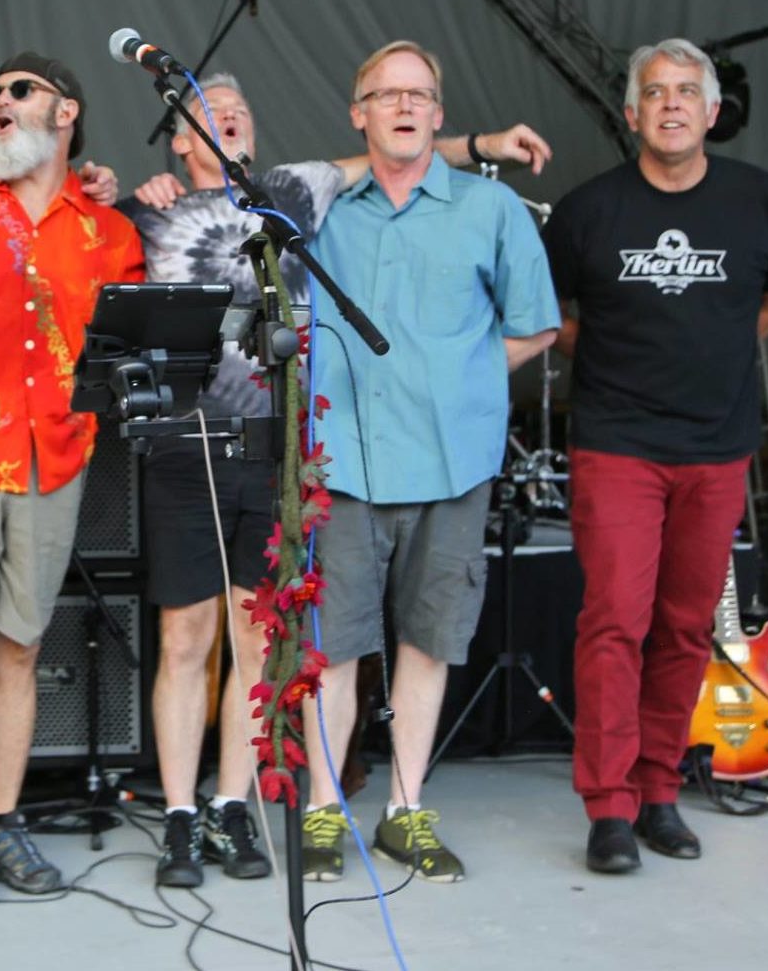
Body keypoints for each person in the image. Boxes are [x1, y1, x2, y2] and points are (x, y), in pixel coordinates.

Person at [124, 73, 552, 887]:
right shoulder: (217, 206)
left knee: (324, 641)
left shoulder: (305, 193)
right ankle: (245, 814)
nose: (228, 121)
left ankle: (308, 808)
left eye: (241, 109)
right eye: (207, 115)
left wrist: (486, 145)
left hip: (349, 455)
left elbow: (403, 152)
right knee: (252, 643)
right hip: (256, 455)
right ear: (177, 137)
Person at [543, 39, 768, 875]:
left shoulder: (762, 201)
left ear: (711, 111)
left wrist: (726, 347)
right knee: (613, 620)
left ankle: (659, 791)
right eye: (653, 93)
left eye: (685, 92)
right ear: (630, 115)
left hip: (716, 446)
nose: (669, 104)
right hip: (617, 443)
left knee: (685, 626)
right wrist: (607, 349)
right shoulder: (588, 210)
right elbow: (542, 308)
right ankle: (609, 806)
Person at [295, 41, 559, 885]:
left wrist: (469, 377)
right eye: (385, 94)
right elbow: (250, 191)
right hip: (341, 462)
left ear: (440, 114)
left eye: (420, 95)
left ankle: (405, 812)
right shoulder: (322, 206)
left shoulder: (493, 210)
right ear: (357, 111)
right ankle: (323, 813)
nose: (404, 107)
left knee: (430, 640)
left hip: (452, 460)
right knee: (331, 647)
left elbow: (536, 323)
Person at [0, 53, 146, 905]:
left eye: (18, 90)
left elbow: (130, 344)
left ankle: (5, 822)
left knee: (19, 647)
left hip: (54, 455)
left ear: (66, 111)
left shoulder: (108, 230)